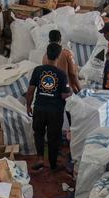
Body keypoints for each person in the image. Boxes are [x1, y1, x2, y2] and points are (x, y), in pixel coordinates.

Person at [26, 43, 71, 173]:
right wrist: (70, 93)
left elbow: (30, 90)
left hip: (39, 108)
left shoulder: (38, 70)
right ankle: (52, 164)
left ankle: (40, 158)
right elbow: (64, 95)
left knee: (38, 134)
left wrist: (28, 106)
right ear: (58, 56)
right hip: (55, 111)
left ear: (46, 55)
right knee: (54, 137)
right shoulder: (61, 74)